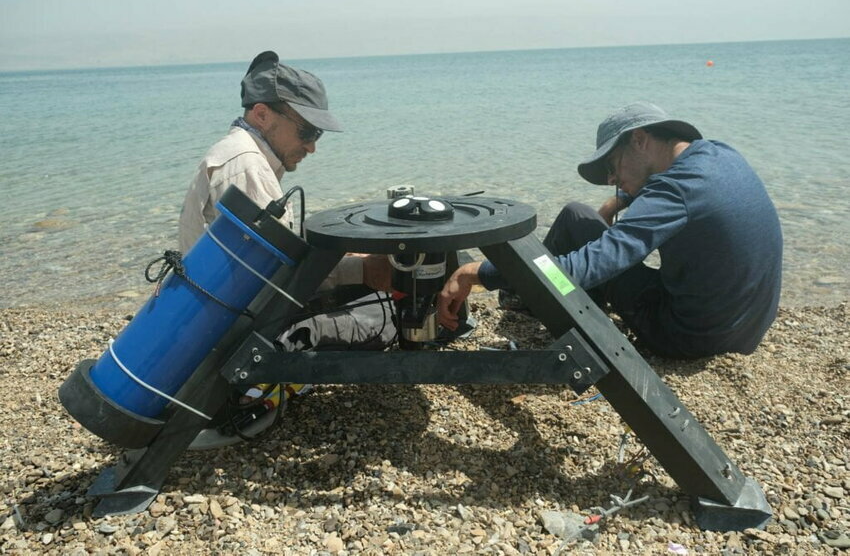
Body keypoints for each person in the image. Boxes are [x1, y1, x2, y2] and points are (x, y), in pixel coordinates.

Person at [439, 101, 782, 359]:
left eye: (611, 167)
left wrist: (480, 272)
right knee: (584, 216)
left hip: (687, 338)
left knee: (574, 226)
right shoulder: (720, 155)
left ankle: (524, 291)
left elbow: (586, 267)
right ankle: (528, 294)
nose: (612, 180)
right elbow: (684, 198)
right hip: (745, 330)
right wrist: (617, 203)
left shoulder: (674, 191)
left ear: (639, 140)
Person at [179, 51, 393, 448]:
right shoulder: (248, 168)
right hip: (239, 335)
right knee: (385, 315)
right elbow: (280, 283)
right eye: (307, 132)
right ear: (262, 115)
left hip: (218, 321)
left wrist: (352, 267)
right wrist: (361, 271)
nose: (312, 147)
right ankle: (252, 395)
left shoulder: (240, 155)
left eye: (318, 134)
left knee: (365, 288)